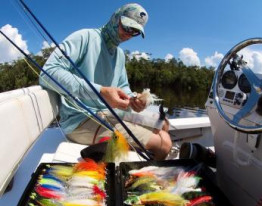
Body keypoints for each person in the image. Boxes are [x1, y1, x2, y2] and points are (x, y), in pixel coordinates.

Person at [39, 3, 172, 160]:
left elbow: (123, 87)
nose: (129, 34)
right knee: (163, 145)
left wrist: (133, 100)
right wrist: (100, 92)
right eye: (127, 27)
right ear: (115, 18)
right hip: (80, 120)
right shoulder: (85, 37)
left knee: (164, 124)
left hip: (110, 114)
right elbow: (48, 72)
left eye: (135, 32)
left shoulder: (120, 54)